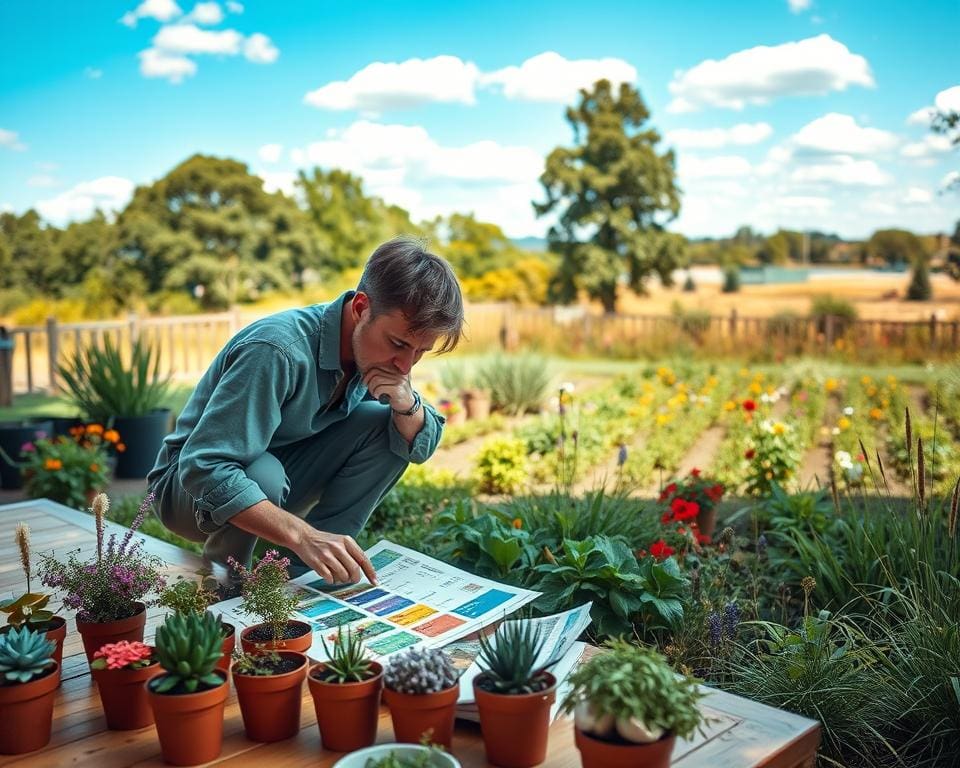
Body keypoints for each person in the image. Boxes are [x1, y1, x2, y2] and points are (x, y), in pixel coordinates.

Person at [147, 237, 464, 590]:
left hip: (275, 476)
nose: (405, 365)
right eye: (399, 344)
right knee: (263, 472)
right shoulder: (276, 350)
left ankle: (305, 576)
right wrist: (302, 534)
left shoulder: (377, 355)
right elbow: (204, 466)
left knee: (389, 426)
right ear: (361, 308)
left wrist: (408, 405)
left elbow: (419, 446)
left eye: (421, 352)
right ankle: (224, 584)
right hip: (185, 490)